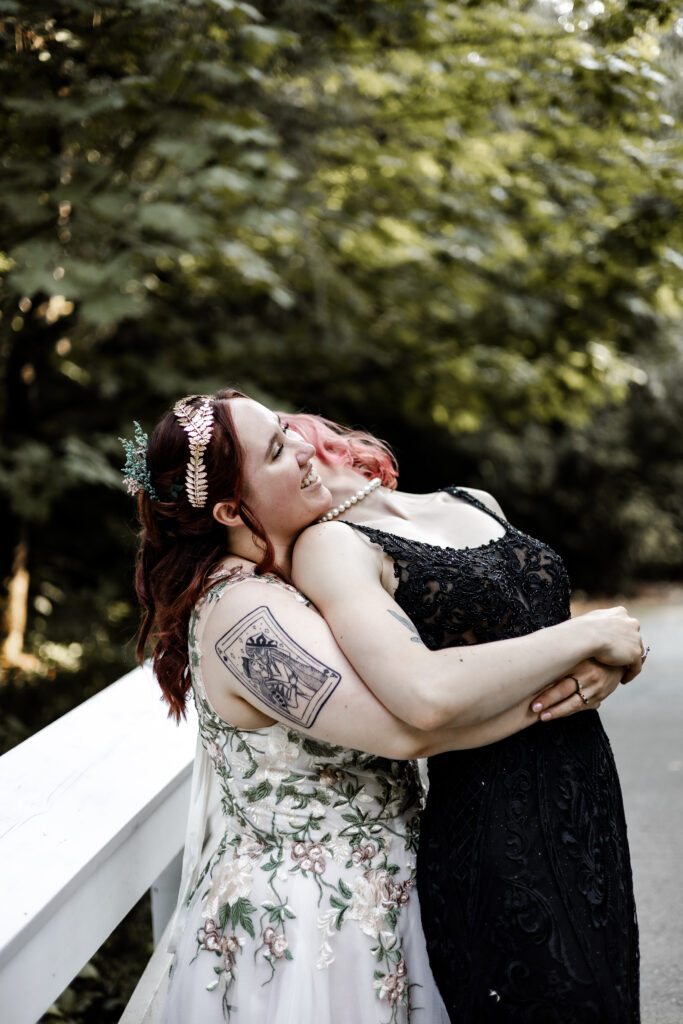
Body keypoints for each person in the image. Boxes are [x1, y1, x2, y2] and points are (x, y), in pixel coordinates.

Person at [122, 389, 643, 1024]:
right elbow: (412, 728)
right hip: (308, 922)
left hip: (390, 887)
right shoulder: (244, 617)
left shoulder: (283, 579)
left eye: (288, 429)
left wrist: (581, 676)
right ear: (232, 508)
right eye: (280, 451)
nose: (307, 449)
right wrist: (572, 667)